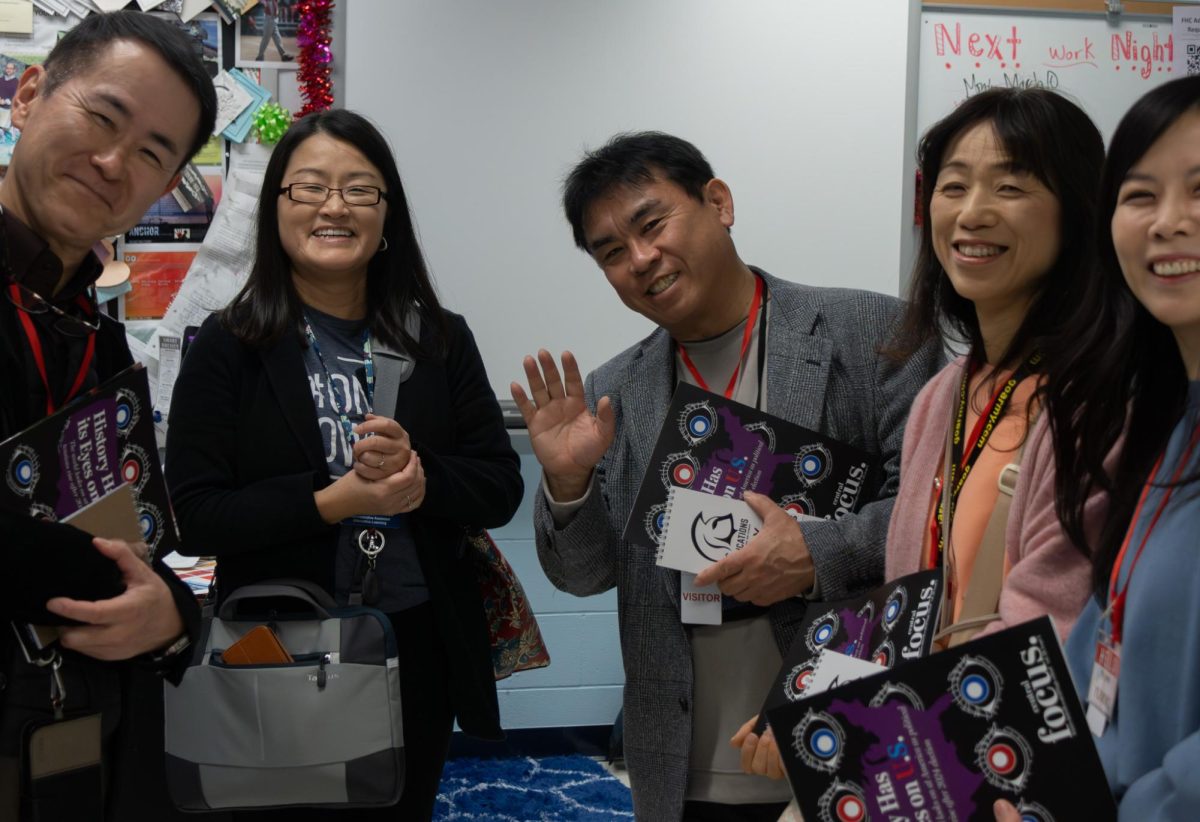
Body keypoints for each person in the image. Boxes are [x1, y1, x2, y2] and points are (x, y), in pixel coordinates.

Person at [511, 131, 942, 821]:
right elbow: (584, 574)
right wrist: (569, 486)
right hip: (684, 767)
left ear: (719, 202)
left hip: (849, 738)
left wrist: (813, 553)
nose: (641, 260)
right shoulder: (615, 391)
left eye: (651, 225)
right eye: (611, 252)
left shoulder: (872, 335)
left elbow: (936, 514)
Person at [733, 88, 1109, 786]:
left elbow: (1051, 643)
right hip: (938, 746)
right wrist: (813, 699)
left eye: (1011, 186)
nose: (971, 213)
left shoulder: (1093, 400)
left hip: (1015, 766)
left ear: (1078, 210)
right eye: (953, 185)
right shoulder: (946, 393)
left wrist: (848, 732)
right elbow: (914, 598)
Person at [165, 108, 523, 821]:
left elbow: (497, 487)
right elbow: (196, 515)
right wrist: (338, 498)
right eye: (309, 188)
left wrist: (420, 482)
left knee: (398, 804)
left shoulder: (441, 338)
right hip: (273, 639)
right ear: (276, 212)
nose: (334, 205)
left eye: (360, 189)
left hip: (413, 642)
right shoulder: (227, 346)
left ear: (386, 214)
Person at [0, 10, 216, 821]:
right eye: (103, 116)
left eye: (154, 154)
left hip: (78, 746)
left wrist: (172, 613)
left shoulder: (101, 339)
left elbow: (134, 533)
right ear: (27, 95)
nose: (112, 162)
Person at [1001, 74, 1200, 821]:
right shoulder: (1161, 426)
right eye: (1141, 195)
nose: (1168, 223)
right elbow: (1092, 662)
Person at [0, 61, 18, 141]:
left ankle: (3, 134)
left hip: (8, 107)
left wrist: (6, 101)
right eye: (7, 68)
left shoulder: (16, 82)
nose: (8, 70)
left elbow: (16, 96)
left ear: (14, 70)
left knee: (5, 122)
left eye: (11, 68)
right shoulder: (1, 79)